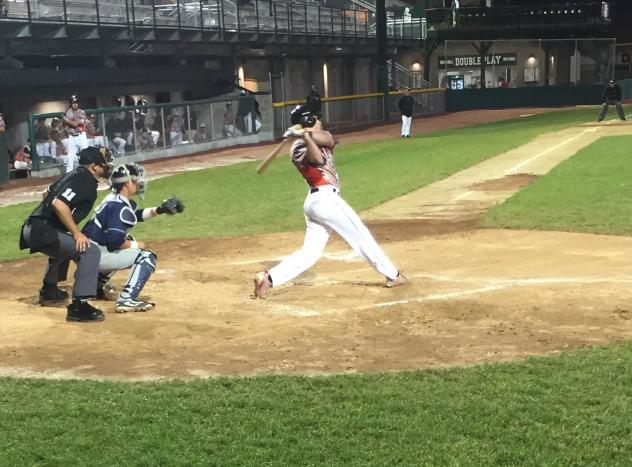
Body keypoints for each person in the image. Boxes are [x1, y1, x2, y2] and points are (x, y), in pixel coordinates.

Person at [253, 105, 408, 299]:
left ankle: (268, 278)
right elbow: (317, 160)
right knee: (361, 236)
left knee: (310, 253)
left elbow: (330, 139)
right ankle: (393, 275)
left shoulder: (321, 136)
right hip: (324, 199)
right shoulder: (297, 148)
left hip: (318, 203)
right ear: (309, 120)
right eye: (316, 118)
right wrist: (305, 138)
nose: (320, 120)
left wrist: (304, 133)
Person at [19, 146, 114, 322]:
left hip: (33, 228)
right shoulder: (85, 181)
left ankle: (49, 291)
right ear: (94, 166)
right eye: (103, 164)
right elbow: (59, 203)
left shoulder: (73, 175)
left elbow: (46, 193)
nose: (106, 167)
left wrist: (59, 226)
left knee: (65, 245)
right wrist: (76, 233)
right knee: (90, 251)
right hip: (42, 231)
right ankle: (79, 306)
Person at [83, 163, 184, 312]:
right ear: (126, 183)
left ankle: (95, 286)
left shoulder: (114, 199)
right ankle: (127, 299)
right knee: (146, 256)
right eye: (135, 180)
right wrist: (138, 245)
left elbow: (133, 216)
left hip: (89, 251)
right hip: (95, 256)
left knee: (127, 238)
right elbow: (114, 241)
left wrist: (159, 210)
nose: (139, 182)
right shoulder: (118, 207)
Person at [63, 95, 89, 173]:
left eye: (76, 102)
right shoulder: (68, 112)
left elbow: (75, 124)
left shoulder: (81, 112)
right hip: (72, 137)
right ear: (71, 103)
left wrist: (66, 120)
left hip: (81, 136)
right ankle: (68, 173)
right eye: (73, 103)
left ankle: (87, 171)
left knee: (85, 155)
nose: (75, 104)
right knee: (70, 156)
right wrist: (66, 124)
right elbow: (65, 126)